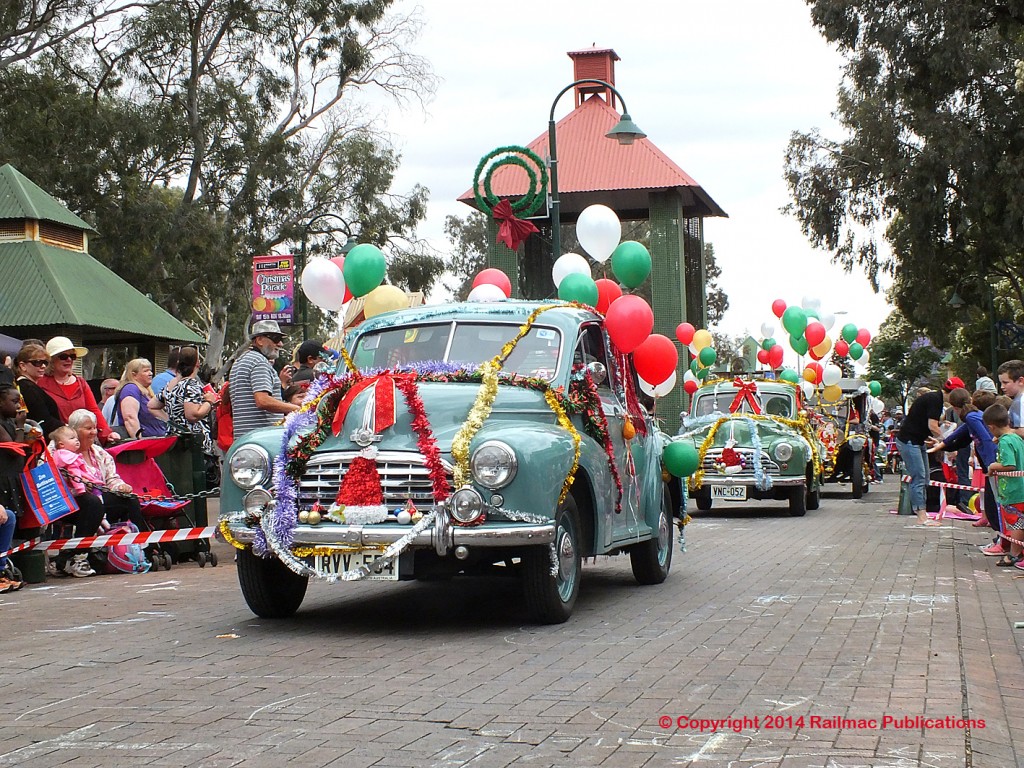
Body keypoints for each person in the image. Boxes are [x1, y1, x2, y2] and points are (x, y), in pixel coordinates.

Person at [61, 409, 147, 576]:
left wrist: (121, 486)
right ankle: (77, 557)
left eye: (95, 428)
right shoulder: (59, 449)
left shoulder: (100, 453)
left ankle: (139, 549)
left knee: (129, 500)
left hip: (97, 497)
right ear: (73, 430)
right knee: (92, 503)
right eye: (88, 428)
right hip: (71, 501)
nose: (93, 432)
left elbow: (112, 479)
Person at [927, 388, 998, 535]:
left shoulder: (972, 417)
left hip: (990, 464)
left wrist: (991, 462)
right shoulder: (971, 418)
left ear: (954, 407)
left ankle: (1000, 536)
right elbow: (958, 434)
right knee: (989, 497)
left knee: (994, 500)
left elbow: (986, 438)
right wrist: (941, 444)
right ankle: (993, 526)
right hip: (987, 464)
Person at [37, 337, 119, 446]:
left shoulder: (81, 383)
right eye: (63, 356)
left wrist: (106, 433)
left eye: (72, 356)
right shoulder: (40, 384)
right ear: (51, 360)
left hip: (83, 442)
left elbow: (93, 410)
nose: (69, 360)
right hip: (55, 443)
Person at [229, 320, 299, 439]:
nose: (281, 344)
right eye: (276, 339)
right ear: (259, 340)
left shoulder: (240, 362)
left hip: (245, 439)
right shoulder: (259, 362)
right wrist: (297, 409)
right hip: (262, 439)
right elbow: (262, 401)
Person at [152, 346, 219, 454]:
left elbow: (152, 405)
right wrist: (209, 402)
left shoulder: (171, 386)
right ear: (197, 363)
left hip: (174, 440)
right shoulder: (191, 385)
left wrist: (170, 420)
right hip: (193, 444)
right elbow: (192, 415)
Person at [896, 384, 947, 525]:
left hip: (916, 441)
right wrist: (946, 441)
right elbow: (932, 426)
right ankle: (921, 515)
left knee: (924, 478)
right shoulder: (935, 400)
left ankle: (922, 513)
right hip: (909, 441)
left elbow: (919, 422)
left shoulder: (933, 398)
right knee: (919, 477)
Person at [982, 403, 1024, 570]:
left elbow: (1009, 465)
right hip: (1020, 488)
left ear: (991, 427)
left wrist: (993, 466)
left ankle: (1014, 554)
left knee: (1016, 523)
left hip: (1014, 491)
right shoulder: (1015, 437)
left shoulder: (1006, 442)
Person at [0, 385, 29, 592]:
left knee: (10, 517)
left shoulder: (8, 421)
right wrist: (20, 426)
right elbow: (14, 449)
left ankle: (2, 570)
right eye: (14, 401)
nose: (18, 406)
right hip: (3, 480)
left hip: (13, 477)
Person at [13, 343, 62, 435]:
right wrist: (67, 428)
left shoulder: (24, 386)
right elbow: (44, 420)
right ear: (23, 366)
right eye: (37, 362)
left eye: (45, 362)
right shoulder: (28, 388)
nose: (43, 366)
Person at [112, 359, 166, 438]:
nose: (150, 373)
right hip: (144, 444)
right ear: (134, 375)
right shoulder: (130, 389)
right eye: (145, 371)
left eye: (150, 370)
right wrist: (139, 441)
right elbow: (130, 418)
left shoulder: (146, 391)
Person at [49, 425, 91, 496]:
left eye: (77, 438)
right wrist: (80, 489)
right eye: (72, 438)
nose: (76, 440)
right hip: (81, 488)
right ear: (61, 444)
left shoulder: (58, 455)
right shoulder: (70, 458)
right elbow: (75, 473)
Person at [995, 359, 1024, 438]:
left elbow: (1022, 431)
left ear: (1020, 381)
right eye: (1001, 383)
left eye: (1005, 382)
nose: (1002, 387)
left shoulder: (1020, 401)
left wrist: (1003, 432)